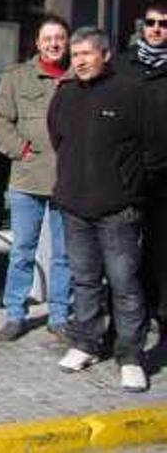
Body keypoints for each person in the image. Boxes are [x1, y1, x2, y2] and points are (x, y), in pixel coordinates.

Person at [50, 27, 148, 392]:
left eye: (86, 54)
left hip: (118, 210)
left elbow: (150, 148)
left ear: (105, 54)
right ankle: (85, 343)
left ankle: (131, 356)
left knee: (124, 284)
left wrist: (129, 189)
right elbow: (56, 138)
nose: (79, 61)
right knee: (84, 280)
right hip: (75, 207)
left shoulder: (131, 93)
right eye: (75, 55)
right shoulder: (65, 95)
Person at [0, 14, 73, 342]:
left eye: (60, 38)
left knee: (65, 254)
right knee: (23, 249)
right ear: (36, 43)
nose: (53, 44)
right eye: (47, 38)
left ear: (67, 42)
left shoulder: (77, 77)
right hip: (27, 181)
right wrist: (20, 150)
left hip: (68, 181)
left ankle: (60, 315)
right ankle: (14, 313)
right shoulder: (17, 77)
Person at [114, 0, 167, 334]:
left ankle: (159, 312)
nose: (157, 29)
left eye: (164, 23)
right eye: (151, 23)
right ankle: (121, 319)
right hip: (125, 175)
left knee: (161, 250)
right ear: (141, 26)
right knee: (121, 252)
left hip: (165, 177)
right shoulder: (121, 65)